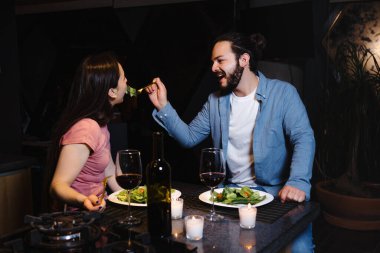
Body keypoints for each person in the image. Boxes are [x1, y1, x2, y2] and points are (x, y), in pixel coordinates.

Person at [146, 32, 315, 253]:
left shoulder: (283, 93)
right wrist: (163, 106)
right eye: (212, 62)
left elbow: (303, 137)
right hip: (230, 195)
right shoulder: (214, 101)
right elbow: (189, 138)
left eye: (220, 60)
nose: (214, 68)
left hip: (276, 194)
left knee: (299, 248)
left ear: (244, 60)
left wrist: (298, 182)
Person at [48, 52, 125, 212]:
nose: (126, 82)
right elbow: (57, 186)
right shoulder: (86, 128)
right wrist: (84, 200)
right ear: (112, 91)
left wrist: (135, 198)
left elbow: (109, 172)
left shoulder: (100, 125)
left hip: (97, 217)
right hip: (78, 221)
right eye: (123, 78)